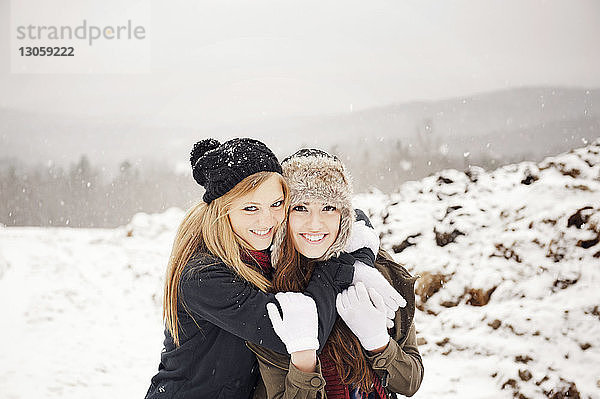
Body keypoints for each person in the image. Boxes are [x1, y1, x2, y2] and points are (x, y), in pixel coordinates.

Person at [145, 139, 404, 399]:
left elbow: (342, 213)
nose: (267, 219)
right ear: (223, 210)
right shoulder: (204, 276)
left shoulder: (261, 250)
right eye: (250, 208)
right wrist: (341, 260)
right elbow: (301, 334)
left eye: (277, 204)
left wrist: (353, 238)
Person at [247, 149, 424, 399]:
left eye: (329, 207)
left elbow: (410, 382)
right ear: (283, 215)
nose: (315, 224)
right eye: (300, 208)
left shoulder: (376, 272)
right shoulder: (268, 288)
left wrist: (378, 343)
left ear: (344, 216)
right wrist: (303, 360)